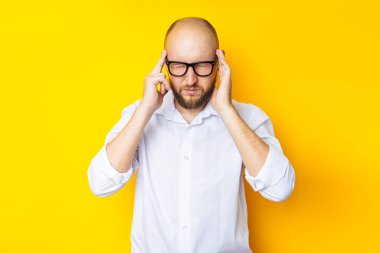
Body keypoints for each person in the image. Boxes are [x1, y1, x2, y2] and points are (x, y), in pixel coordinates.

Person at [87, 17, 295, 253]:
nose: (190, 79)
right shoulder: (140, 115)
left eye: (202, 65)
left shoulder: (246, 118)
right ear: (165, 64)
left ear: (219, 63)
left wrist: (227, 111)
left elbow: (280, 188)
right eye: (179, 65)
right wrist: (145, 110)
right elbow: (100, 183)